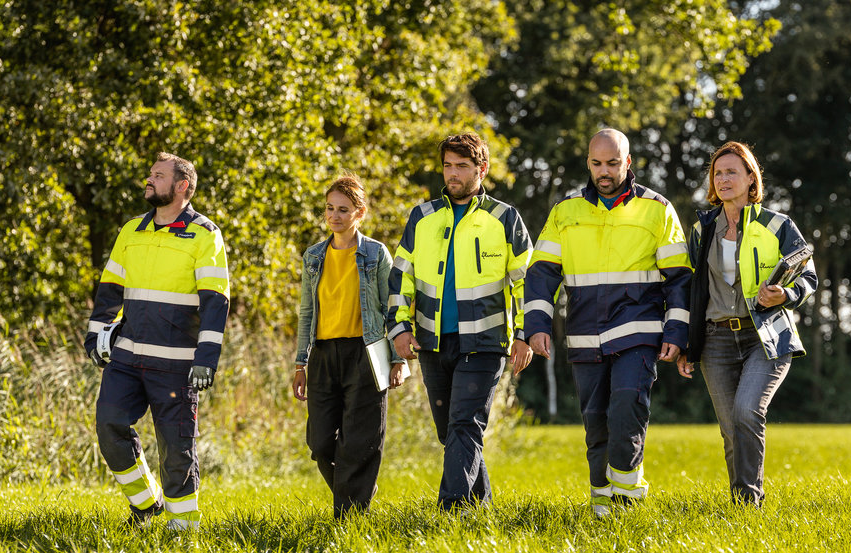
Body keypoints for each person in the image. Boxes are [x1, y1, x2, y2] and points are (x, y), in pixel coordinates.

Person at [525, 129, 690, 517]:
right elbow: (541, 274)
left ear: (628, 163)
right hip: (585, 334)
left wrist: (677, 330)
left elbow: (681, 278)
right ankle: (602, 507)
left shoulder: (657, 209)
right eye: (597, 163)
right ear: (588, 162)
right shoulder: (565, 212)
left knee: (625, 409)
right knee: (595, 423)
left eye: (613, 163)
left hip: (638, 331)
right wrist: (537, 324)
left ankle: (629, 501)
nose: (605, 171)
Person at [388, 132, 533, 512]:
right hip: (433, 342)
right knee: (450, 431)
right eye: (448, 165)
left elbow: (526, 282)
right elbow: (400, 278)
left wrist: (523, 334)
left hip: (486, 341)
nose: (453, 173)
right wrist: (400, 328)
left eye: (462, 166)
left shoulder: (504, 218)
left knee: (464, 424)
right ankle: (478, 508)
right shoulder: (422, 217)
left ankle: (449, 510)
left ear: (481, 169)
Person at [84, 152, 229, 530]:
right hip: (127, 357)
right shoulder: (132, 230)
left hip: (178, 365)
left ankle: (183, 530)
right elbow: (110, 289)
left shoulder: (205, 235)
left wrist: (206, 359)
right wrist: (95, 333)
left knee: (176, 450)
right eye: (150, 174)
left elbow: (216, 302)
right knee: (108, 424)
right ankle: (147, 505)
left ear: (182, 186)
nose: (149, 181)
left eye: (158, 176)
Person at [676, 141, 816, 507]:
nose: (723, 179)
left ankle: (749, 502)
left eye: (731, 172)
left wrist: (784, 295)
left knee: (746, 411)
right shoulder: (702, 229)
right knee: (730, 429)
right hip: (715, 340)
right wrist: (687, 343)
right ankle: (742, 507)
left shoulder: (777, 224)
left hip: (765, 337)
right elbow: (692, 291)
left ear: (751, 178)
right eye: (717, 173)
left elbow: (809, 276)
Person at [292, 176, 405, 519]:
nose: (335, 216)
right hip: (324, 355)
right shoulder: (313, 256)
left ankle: (349, 519)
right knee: (320, 442)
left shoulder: (375, 253)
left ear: (360, 212)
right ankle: (356, 498)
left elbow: (391, 307)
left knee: (361, 440)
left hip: (367, 353)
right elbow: (307, 312)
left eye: (343, 210)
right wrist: (300, 364)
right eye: (330, 208)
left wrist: (398, 358)